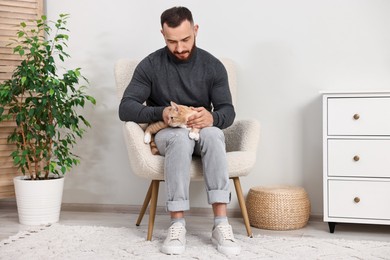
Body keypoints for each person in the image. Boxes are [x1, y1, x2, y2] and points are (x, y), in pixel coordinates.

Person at [119, 6, 240, 256]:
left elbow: (228, 111)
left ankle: (221, 224)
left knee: (215, 134)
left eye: (186, 39)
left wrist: (213, 117)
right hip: (169, 132)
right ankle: (177, 224)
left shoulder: (212, 66)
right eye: (172, 41)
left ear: (195, 30)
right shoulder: (150, 65)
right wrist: (160, 112)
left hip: (202, 130)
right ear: (162, 35)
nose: (180, 48)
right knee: (180, 139)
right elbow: (125, 108)